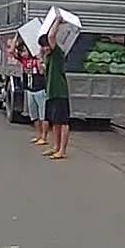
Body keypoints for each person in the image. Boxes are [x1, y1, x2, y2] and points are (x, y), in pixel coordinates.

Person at [41, 20, 71, 161]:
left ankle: (62, 150)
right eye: (44, 47)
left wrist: (57, 21)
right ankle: (56, 146)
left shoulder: (57, 53)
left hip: (60, 92)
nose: (45, 48)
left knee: (63, 122)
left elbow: (51, 36)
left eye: (46, 46)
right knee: (55, 122)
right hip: (51, 92)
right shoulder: (48, 58)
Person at [10, 38, 48, 146]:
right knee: (34, 115)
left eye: (24, 51)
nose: (23, 53)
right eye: (21, 51)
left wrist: (40, 62)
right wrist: (16, 37)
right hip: (30, 90)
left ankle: (44, 137)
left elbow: (42, 71)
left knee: (43, 115)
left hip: (40, 90)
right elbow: (12, 51)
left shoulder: (36, 60)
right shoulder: (24, 61)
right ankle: (38, 135)